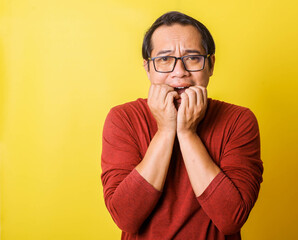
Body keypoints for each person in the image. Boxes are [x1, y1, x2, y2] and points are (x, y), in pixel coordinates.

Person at [101, 11, 263, 240]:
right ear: (148, 69)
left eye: (192, 57)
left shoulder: (239, 120)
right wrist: (166, 130)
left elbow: (230, 219)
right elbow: (126, 217)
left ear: (211, 65)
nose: (180, 72)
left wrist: (187, 133)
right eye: (164, 59)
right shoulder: (123, 119)